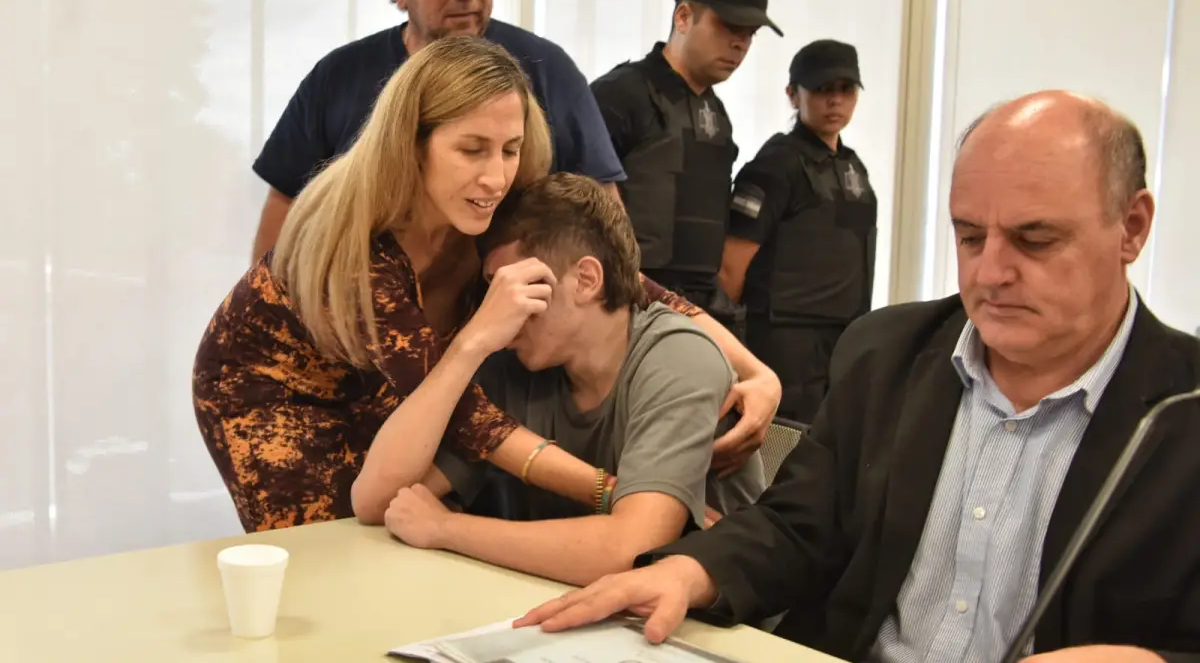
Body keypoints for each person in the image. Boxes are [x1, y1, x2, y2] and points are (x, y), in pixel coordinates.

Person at [516, 91, 1200, 663]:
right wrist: (691, 571)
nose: (990, 273)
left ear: (1131, 227)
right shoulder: (888, 353)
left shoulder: (1182, 414)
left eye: (1035, 239)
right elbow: (798, 528)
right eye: (968, 237)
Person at [193, 36, 777, 533]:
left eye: (511, 149)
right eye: (471, 150)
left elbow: (619, 275)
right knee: (334, 548)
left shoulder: (488, 205)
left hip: (401, 378)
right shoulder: (359, 249)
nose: (496, 175)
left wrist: (756, 373)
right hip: (280, 390)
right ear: (411, 144)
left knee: (407, 516)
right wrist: (620, 494)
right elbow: (472, 417)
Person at [382, 174, 768, 586]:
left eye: (517, 288)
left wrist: (447, 530)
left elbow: (626, 550)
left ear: (586, 280)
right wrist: (468, 347)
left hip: (702, 630)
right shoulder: (515, 363)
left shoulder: (680, 357)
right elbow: (391, 500)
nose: (502, 312)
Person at [249, 0, 625, 264]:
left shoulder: (548, 69)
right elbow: (284, 218)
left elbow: (604, 219)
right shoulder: (338, 78)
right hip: (369, 309)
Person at [589, 0, 782, 336]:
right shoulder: (620, 95)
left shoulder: (717, 115)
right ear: (683, 17)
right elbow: (575, 208)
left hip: (700, 308)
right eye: (728, 26)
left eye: (750, 33)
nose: (740, 43)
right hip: (629, 304)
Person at [718, 40, 877, 423]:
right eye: (822, 90)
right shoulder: (777, 164)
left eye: (845, 90)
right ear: (793, 95)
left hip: (841, 337)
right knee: (781, 446)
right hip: (784, 340)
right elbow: (730, 268)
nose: (835, 101)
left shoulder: (852, 167)